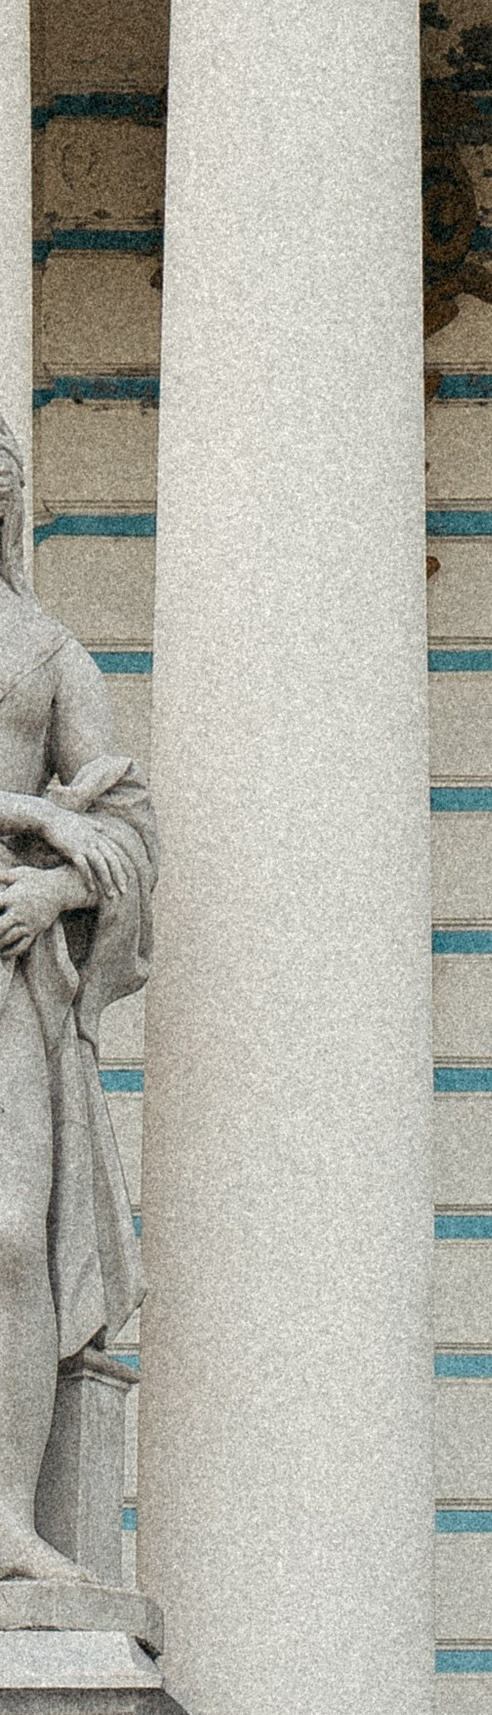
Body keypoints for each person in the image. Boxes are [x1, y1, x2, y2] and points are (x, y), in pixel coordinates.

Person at [0, 423, 153, 1578]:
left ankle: (7, 1519)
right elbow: (75, 805)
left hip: (11, 976)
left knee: (15, 1243)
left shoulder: (49, 654)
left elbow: (132, 830)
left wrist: (60, 889)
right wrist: (42, 817)